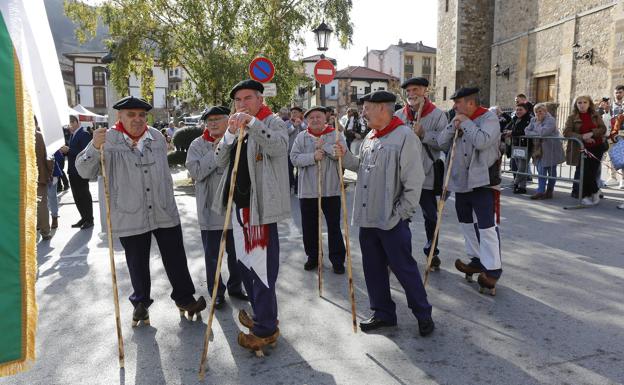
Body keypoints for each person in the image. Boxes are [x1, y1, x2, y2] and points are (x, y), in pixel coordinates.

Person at [76, 96, 206, 327]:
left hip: (163, 209)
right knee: (137, 262)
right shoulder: (107, 139)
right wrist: (94, 147)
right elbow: (84, 171)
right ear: (120, 117)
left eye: (141, 115)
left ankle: (185, 299)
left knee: (176, 257)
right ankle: (141, 305)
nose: (137, 119)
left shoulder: (156, 137)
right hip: (129, 212)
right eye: (131, 115)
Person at [338, 90, 434, 337]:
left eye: (367, 108)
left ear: (383, 108)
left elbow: (414, 181)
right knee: (373, 268)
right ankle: (383, 314)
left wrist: (401, 214)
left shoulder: (404, 137)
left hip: (391, 220)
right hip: (368, 217)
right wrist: (345, 156)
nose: (363, 113)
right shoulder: (371, 136)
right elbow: (362, 167)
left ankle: (423, 314)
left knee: (404, 269)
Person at [212, 79, 289, 353]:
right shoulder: (236, 127)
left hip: (259, 209)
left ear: (260, 100)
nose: (242, 105)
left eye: (247, 99)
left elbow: (279, 148)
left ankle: (266, 328)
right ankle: (262, 314)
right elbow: (218, 160)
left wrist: (254, 125)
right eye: (238, 101)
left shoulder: (273, 122)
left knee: (261, 269)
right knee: (244, 265)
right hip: (238, 208)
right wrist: (230, 135)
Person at [438, 87, 503, 295]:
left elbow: (483, 141)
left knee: (486, 227)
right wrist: (452, 126)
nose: (454, 106)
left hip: (482, 182)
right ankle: (476, 259)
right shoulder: (457, 117)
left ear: (470, 103)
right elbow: (441, 142)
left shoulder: (489, 118)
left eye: (458, 102)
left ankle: (492, 270)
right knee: (466, 223)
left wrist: (465, 123)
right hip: (460, 182)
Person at [186, 106, 248, 310]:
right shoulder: (197, 144)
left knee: (237, 254)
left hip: (234, 208)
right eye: (208, 120)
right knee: (213, 256)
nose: (212, 123)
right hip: (210, 210)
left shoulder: (240, 139)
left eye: (217, 119)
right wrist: (216, 151)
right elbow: (195, 172)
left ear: (227, 119)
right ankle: (216, 292)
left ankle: (236, 287)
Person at [395, 77, 448, 269]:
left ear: (425, 91)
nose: (411, 94)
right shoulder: (400, 115)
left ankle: (432, 252)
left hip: (426, 174)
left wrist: (424, 134)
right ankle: (401, 253)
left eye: (415, 90)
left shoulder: (437, 115)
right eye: (408, 91)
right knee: (402, 216)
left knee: (431, 216)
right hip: (403, 175)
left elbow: (444, 142)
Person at [290, 106, 347, 274]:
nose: (315, 120)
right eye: (311, 117)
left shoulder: (336, 135)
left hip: (331, 190)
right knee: (309, 226)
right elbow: (294, 158)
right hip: (307, 191)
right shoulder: (301, 137)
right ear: (307, 120)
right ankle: (313, 257)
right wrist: (313, 157)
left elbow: (341, 154)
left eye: (318, 117)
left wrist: (326, 147)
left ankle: (337, 260)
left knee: (334, 226)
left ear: (325, 118)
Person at [564, 95, 607, 206]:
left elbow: (603, 129)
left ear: (589, 104)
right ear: (576, 104)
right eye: (579, 103)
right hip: (582, 148)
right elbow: (567, 132)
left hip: (597, 147)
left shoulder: (595, 115)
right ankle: (588, 194)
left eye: (584, 102)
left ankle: (590, 193)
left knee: (592, 172)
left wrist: (592, 133)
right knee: (585, 172)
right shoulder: (572, 117)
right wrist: (582, 136)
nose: (582, 105)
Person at [60, 115, 94, 229]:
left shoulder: (84, 134)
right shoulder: (73, 134)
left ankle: (89, 219)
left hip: (81, 170)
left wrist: (69, 150)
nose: (68, 127)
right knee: (77, 196)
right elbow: (72, 152)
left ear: (76, 122)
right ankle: (84, 217)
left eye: (70, 124)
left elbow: (86, 153)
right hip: (72, 170)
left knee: (84, 195)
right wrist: (64, 151)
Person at [525, 103, 565, 200]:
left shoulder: (550, 120)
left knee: (551, 171)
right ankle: (540, 191)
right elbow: (526, 131)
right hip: (539, 150)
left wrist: (537, 126)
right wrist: (536, 133)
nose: (538, 114)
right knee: (541, 170)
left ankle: (550, 190)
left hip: (551, 149)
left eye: (540, 111)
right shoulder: (533, 119)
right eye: (536, 112)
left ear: (545, 111)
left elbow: (543, 133)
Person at [504, 103, 532, 194]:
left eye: (521, 110)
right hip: (515, 146)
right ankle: (522, 187)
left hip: (526, 146)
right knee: (517, 166)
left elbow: (525, 131)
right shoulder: (514, 119)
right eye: (517, 110)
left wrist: (512, 132)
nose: (518, 111)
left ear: (526, 110)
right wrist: (507, 131)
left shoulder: (529, 119)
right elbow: (507, 127)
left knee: (522, 167)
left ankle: (516, 183)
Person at [35, 117, 52, 240]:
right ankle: (45, 231)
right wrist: (49, 173)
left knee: (29, 205)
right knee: (41, 204)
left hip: (25, 177)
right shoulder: (40, 136)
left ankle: (34, 228)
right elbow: (49, 157)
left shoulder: (19, 136)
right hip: (40, 176)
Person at [286, 106, 307, 194]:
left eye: (296, 112)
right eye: (292, 112)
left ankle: (297, 189)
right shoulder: (287, 123)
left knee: (300, 171)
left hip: (301, 152)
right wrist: (294, 126)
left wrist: (301, 124)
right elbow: (285, 133)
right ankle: (290, 186)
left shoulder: (304, 123)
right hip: (289, 152)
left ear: (300, 114)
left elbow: (308, 130)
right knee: (289, 171)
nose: (294, 114)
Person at [48, 149, 64, 229]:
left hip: (52, 174)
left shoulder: (51, 144)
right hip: (38, 174)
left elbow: (60, 157)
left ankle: (54, 217)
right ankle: (41, 220)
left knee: (52, 197)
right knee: (39, 199)